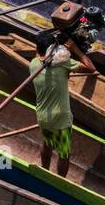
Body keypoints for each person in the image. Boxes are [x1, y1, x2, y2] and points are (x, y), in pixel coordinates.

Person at [28, 30, 95, 179]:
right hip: (61, 117)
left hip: (43, 116)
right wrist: (75, 49)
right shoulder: (63, 64)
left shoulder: (33, 64)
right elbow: (91, 68)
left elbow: (45, 59)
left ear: (37, 48)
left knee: (48, 144)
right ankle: (59, 181)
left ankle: (44, 172)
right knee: (64, 153)